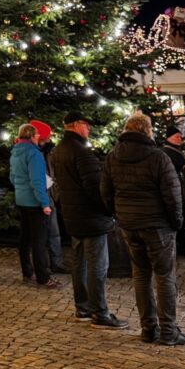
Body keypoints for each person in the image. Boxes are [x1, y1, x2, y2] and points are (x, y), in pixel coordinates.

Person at [101, 113, 185, 346]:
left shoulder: (113, 157)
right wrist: (176, 222)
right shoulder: (158, 157)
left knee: (140, 275)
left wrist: (120, 214)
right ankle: (168, 331)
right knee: (164, 276)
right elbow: (173, 195)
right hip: (158, 226)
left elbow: (106, 193)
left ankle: (148, 328)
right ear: (148, 131)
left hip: (130, 225)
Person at [51, 111, 126, 329]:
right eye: (85, 124)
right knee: (97, 266)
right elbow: (96, 188)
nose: (89, 129)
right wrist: (109, 210)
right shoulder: (81, 152)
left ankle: (82, 308)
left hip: (73, 216)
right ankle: (99, 312)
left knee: (80, 264)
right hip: (91, 218)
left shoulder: (59, 150)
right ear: (75, 125)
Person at [9, 123, 60, 289]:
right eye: (37, 134)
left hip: (21, 200)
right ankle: (43, 277)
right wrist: (44, 203)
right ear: (32, 136)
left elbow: (12, 177)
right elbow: (37, 181)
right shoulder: (34, 154)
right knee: (39, 240)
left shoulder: (15, 152)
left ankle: (27, 272)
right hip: (35, 202)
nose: (39, 137)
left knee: (25, 238)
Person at [29, 119, 67, 274]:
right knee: (41, 234)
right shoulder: (31, 152)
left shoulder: (50, 151)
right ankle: (42, 265)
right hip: (37, 196)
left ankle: (56, 263)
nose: (49, 139)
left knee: (53, 231)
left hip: (49, 195)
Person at [161, 125, 185, 255]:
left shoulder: (173, 151)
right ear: (169, 138)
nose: (180, 139)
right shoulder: (168, 152)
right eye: (177, 137)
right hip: (176, 191)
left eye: (180, 137)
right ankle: (183, 246)